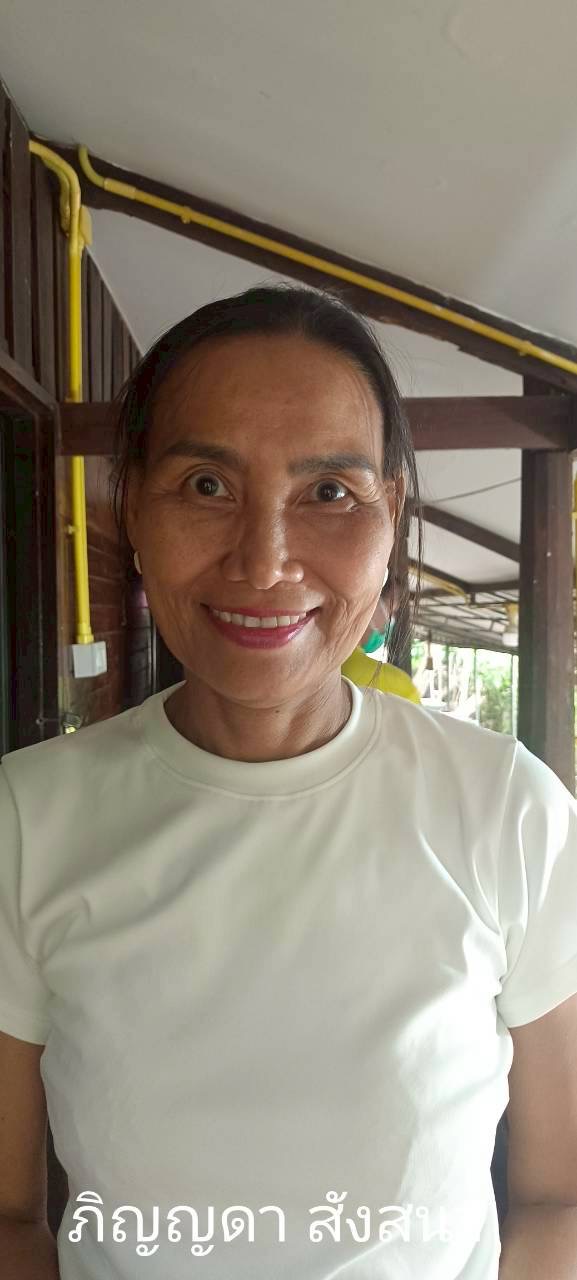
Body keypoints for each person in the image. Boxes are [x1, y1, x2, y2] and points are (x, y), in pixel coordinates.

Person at [1, 286, 577, 1280]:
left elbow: (557, 1195)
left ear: (392, 511)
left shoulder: (504, 809)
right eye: (206, 485)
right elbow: (11, 1216)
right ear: (131, 505)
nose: (264, 563)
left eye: (329, 492)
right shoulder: (28, 818)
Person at [341, 572, 421, 703]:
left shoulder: (314, 668)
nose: (392, 620)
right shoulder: (399, 686)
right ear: (370, 603)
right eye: (391, 611)